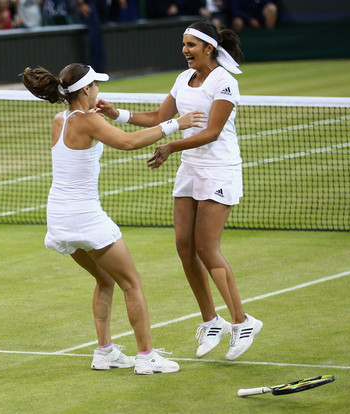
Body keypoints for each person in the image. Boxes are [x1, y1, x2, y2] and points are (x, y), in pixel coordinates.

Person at [21, 63, 206, 374]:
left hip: (58, 218)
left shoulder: (60, 119)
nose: (98, 90)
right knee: (131, 283)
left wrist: (111, 113)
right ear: (86, 90)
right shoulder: (88, 120)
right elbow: (128, 142)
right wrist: (177, 123)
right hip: (84, 216)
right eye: (95, 86)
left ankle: (104, 351)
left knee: (105, 279)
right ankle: (147, 357)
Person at [95, 20, 263, 361]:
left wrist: (172, 147)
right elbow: (159, 115)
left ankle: (242, 321)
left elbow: (213, 131)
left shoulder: (224, 83)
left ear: (208, 48)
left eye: (190, 45)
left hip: (219, 169)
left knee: (207, 248)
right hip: (191, 170)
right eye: (183, 45)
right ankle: (211, 320)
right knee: (185, 248)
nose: (184, 50)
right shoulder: (183, 79)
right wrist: (117, 114)